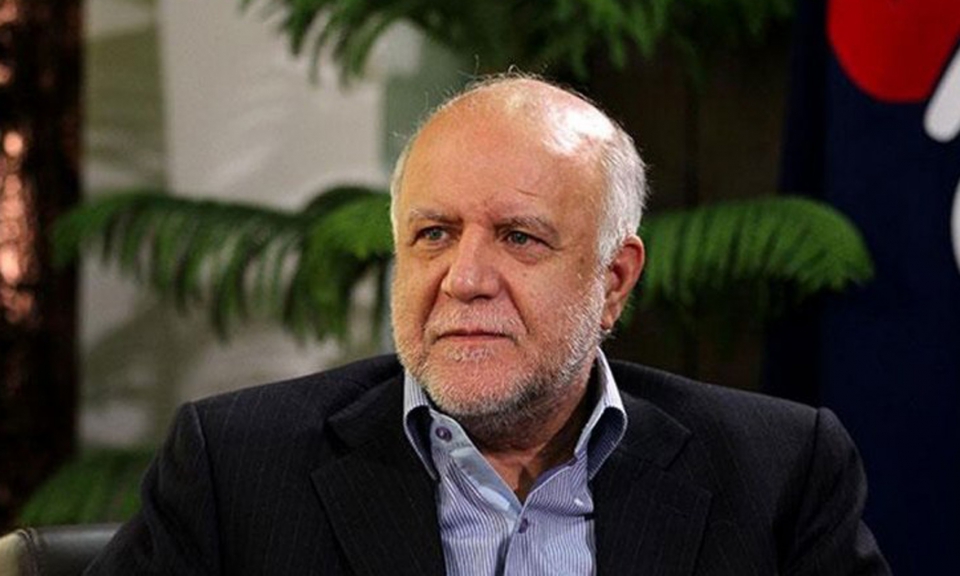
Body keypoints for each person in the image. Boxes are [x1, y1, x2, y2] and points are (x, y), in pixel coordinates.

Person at [86, 75, 889, 575]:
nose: (464, 280)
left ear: (613, 280)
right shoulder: (236, 468)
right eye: (434, 234)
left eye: (519, 237)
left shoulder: (778, 474)